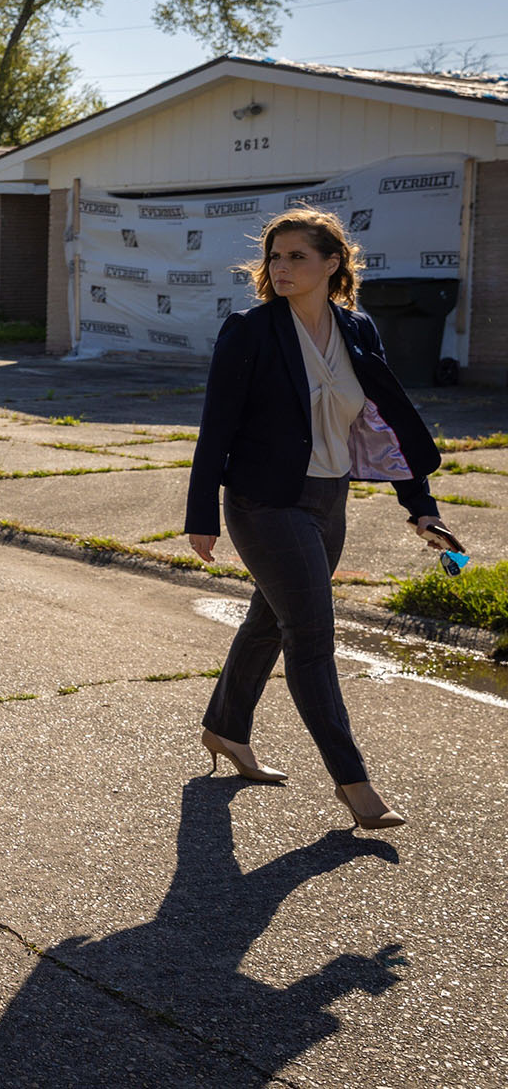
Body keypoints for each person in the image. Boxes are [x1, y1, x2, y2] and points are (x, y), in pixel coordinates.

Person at [186, 208, 456, 833]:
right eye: (274, 257)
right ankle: (355, 783)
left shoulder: (357, 328)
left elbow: (382, 422)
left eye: (296, 257)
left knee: (268, 619)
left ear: (332, 263)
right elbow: (216, 424)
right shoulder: (250, 330)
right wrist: (202, 512)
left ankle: (224, 729)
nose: (281, 268)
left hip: (327, 500)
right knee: (310, 636)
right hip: (263, 501)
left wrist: (422, 508)